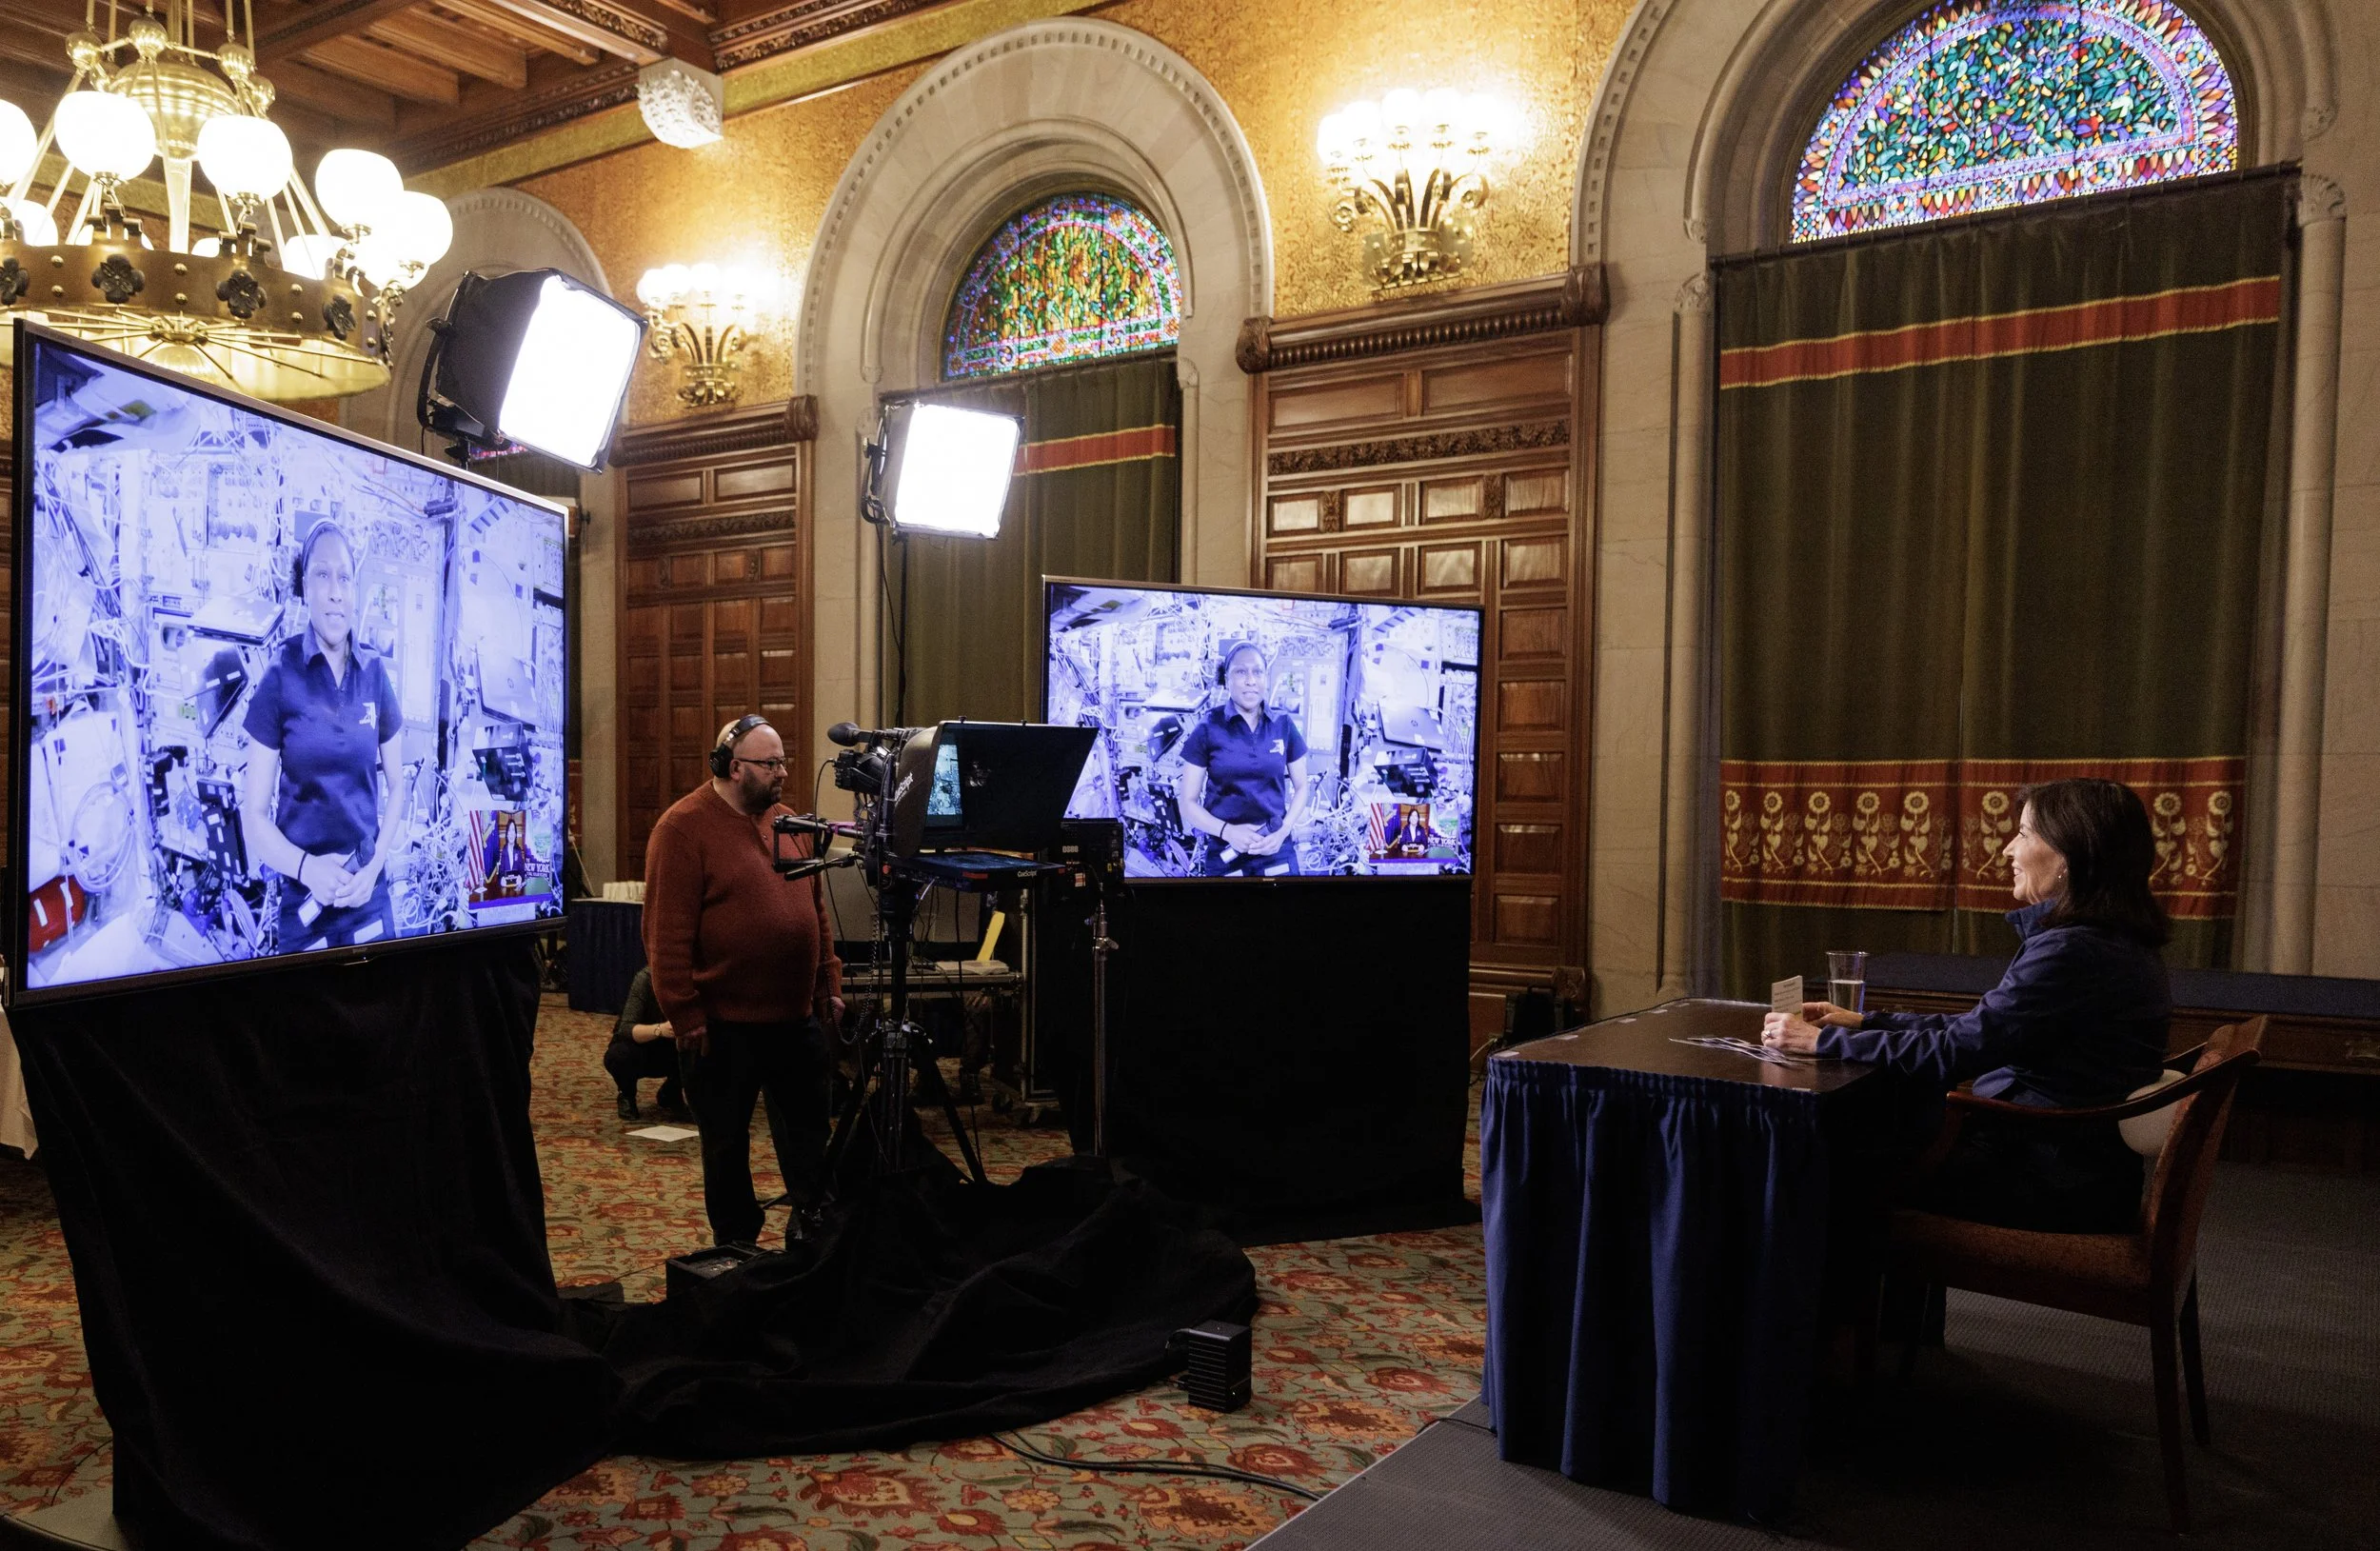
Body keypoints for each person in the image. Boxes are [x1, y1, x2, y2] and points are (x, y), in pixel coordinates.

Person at [1763, 777, 2172, 1232]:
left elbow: (1957, 1052)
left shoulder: (2073, 951)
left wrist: (1826, 1042)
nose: (2007, 852)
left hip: (2047, 1177)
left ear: (2070, 854)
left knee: (1809, 1161)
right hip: (2074, 1163)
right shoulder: (2109, 940)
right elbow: (1983, 1029)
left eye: (2024, 834)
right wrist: (1864, 1022)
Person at [643, 715, 843, 1247]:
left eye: (783, 761)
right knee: (726, 1147)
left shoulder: (788, 823)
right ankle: (737, 1249)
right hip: (721, 1028)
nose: (782, 773)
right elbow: (665, 935)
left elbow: (815, 913)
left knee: (809, 1137)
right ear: (733, 768)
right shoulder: (682, 829)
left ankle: (815, 1232)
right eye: (769, 764)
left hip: (795, 1020)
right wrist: (683, 1012)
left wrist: (829, 984)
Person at [241, 519, 407, 952]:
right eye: (322, 575)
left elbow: (399, 787)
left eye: (345, 578)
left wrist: (374, 869)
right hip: (305, 901)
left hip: (368, 895)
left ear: (354, 591)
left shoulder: (374, 674)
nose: (335, 591)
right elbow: (254, 815)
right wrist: (306, 868)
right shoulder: (280, 677)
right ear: (304, 589)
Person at [1175, 642, 1312, 877]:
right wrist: (1227, 832)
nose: (1251, 680)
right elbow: (1187, 802)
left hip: (1275, 847)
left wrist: (1283, 831)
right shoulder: (1208, 728)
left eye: (1257, 671)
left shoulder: (1283, 724)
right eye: (1241, 671)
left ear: (1266, 679)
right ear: (1227, 680)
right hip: (1226, 850)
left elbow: (1302, 787)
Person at [604, 966, 687, 1122]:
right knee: (619, 1055)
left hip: (676, 1047)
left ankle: (671, 1092)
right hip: (642, 1046)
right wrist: (660, 1029)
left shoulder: (693, 980)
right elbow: (626, 1029)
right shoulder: (646, 979)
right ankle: (627, 1094)